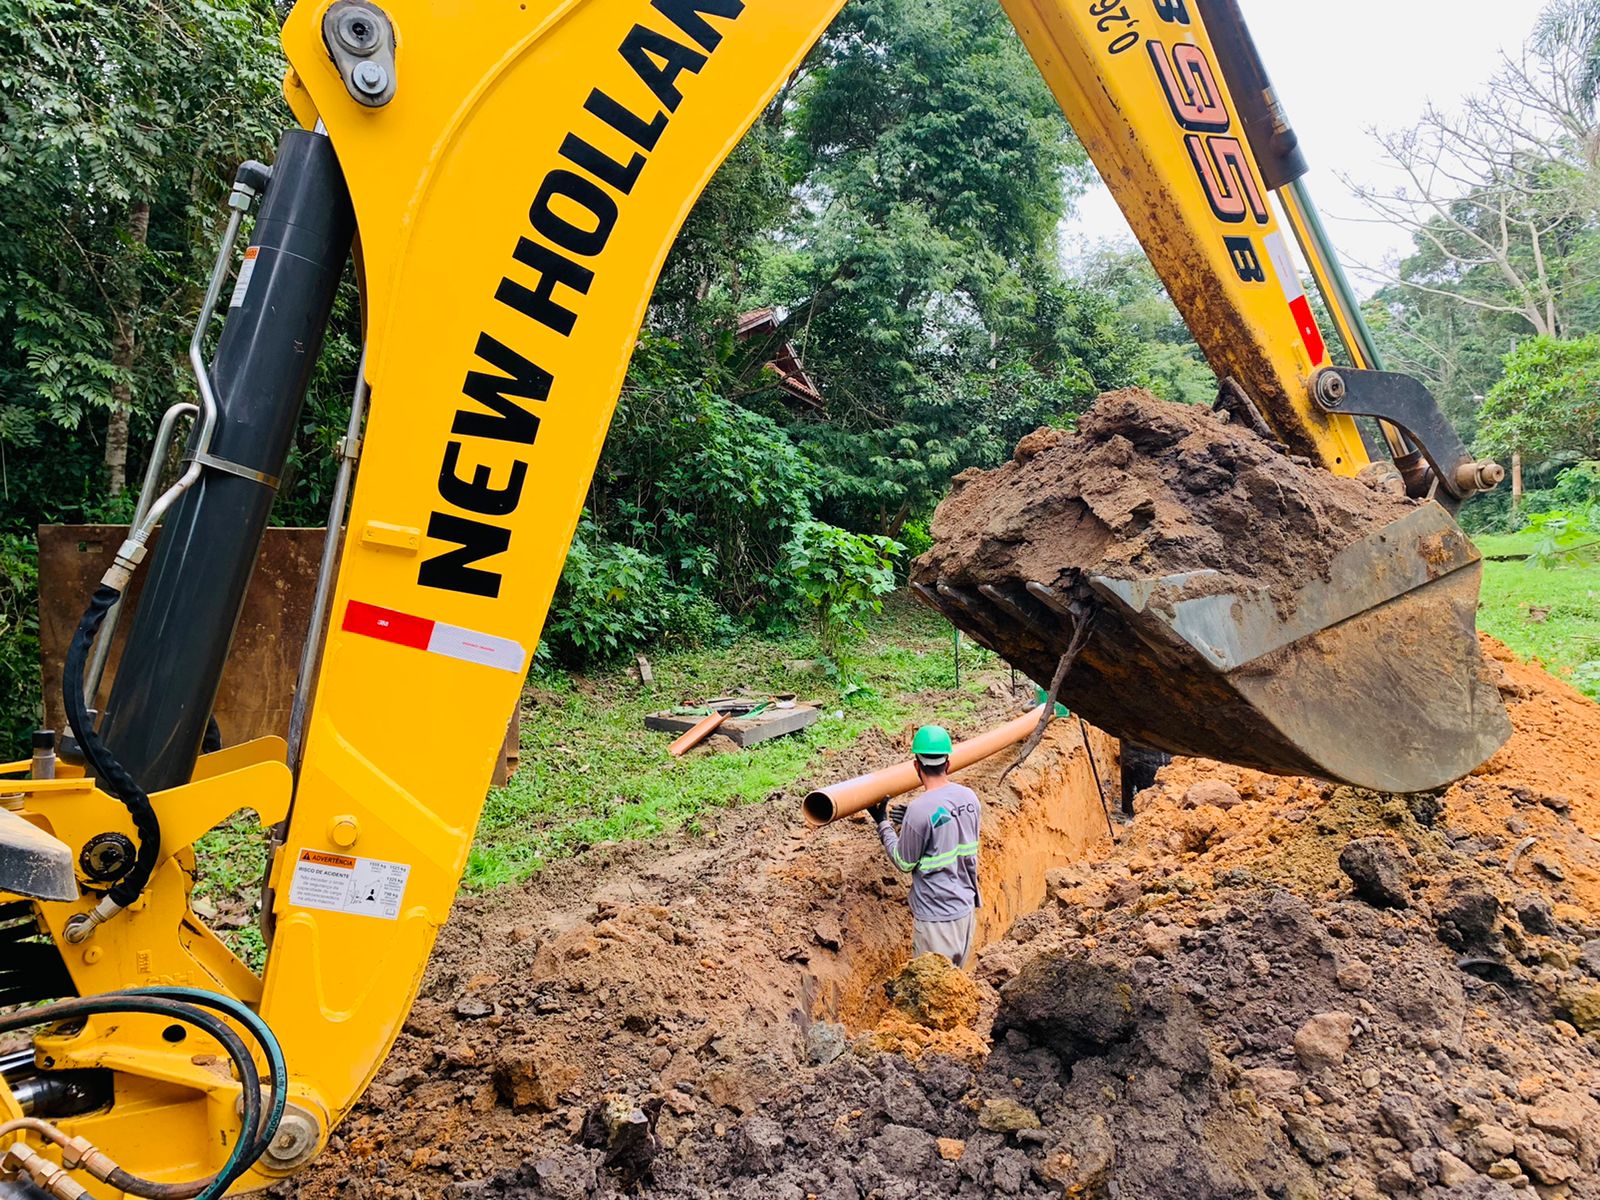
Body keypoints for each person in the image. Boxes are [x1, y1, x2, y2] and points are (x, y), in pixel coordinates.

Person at [868, 725, 982, 968]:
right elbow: (952, 825)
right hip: (965, 910)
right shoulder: (970, 798)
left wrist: (883, 823)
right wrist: (916, 821)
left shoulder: (920, 810)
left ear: (916, 766)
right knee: (955, 987)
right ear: (948, 764)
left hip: (937, 920)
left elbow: (903, 861)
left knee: (932, 996)